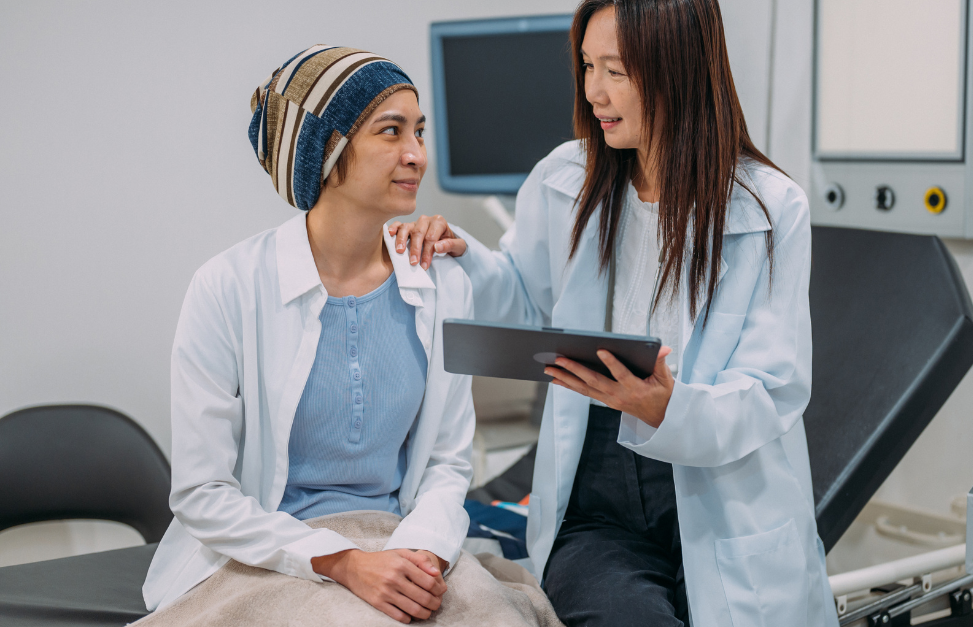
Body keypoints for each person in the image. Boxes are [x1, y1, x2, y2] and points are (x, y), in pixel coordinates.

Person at [390, 1, 839, 625]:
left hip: (723, 485)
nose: (594, 92)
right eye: (586, 66)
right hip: (597, 482)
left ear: (678, 70)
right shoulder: (566, 178)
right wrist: (463, 257)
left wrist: (668, 406)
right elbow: (523, 297)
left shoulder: (765, 208)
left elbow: (773, 389)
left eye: (616, 71)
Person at [143, 45, 476, 625]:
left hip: (400, 540)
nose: (416, 154)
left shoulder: (443, 284)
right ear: (325, 150)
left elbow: (448, 463)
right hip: (271, 552)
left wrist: (420, 553)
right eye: (390, 132)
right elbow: (202, 494)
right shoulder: (227, 287)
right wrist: (340, 561)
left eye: (419, 132)